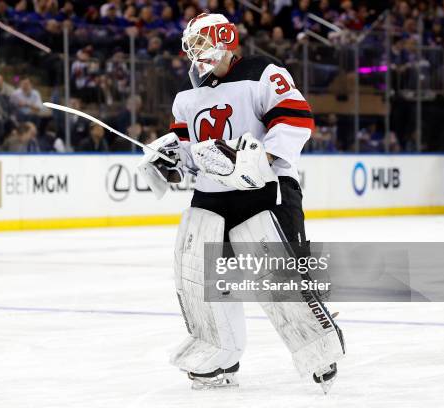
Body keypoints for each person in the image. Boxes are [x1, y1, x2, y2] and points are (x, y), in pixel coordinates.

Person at [137, 13, 345, 391]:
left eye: (201, 42)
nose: (195, 52)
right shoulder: (187, 96)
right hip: (212, 197)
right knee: (207, 278)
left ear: (225, 39)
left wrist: (256, 159)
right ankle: (220, 352)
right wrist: (170, 161)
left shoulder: (263, 72)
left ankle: (318, 344)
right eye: (192, 45)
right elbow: (186, 147)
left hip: (263, 191)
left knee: (279, 274)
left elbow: (296, 120)